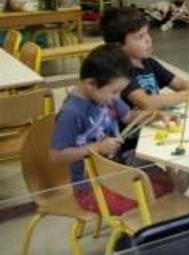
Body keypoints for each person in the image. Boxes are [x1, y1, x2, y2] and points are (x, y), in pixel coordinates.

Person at [49, 44, 177, 214]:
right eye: (114, 91)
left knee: (166, 183)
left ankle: (148, 227)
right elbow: (56, 155)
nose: (117, 98)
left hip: (116, 171)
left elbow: (128, 117)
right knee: (152, 194)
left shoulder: (106, 96)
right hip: (90, 188)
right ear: (90, 84)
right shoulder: (72, 113)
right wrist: (97, 148)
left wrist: (154, 115)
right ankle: (133, 236)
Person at [100, 7, 189, 112]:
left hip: (155, 121)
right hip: (136, 133)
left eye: (147, 33)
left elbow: (180, 84)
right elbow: (147, 103)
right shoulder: (120, 72)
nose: (148, 40)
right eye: (140, 37)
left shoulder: (148, 62)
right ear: (118, 46)